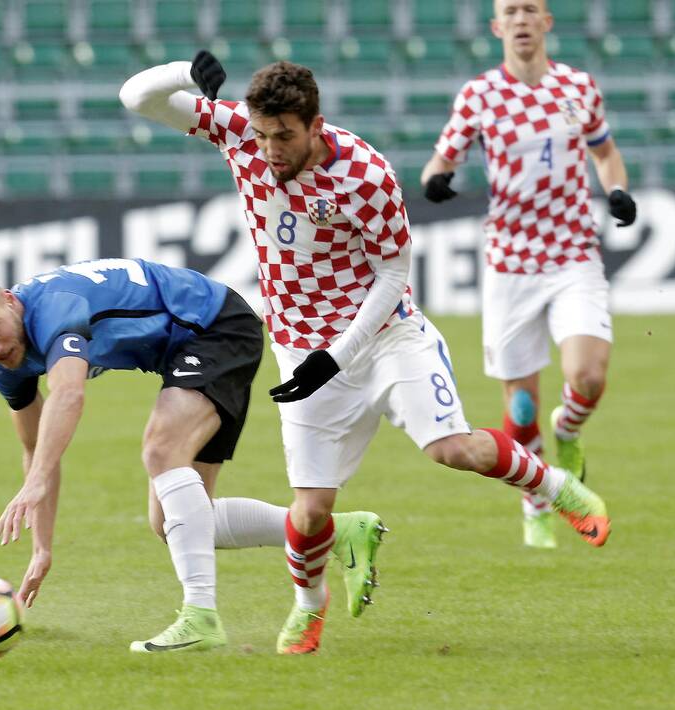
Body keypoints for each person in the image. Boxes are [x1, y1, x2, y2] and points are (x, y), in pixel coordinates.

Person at [119, 51, 612, 655]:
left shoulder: (365, 174)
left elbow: (393, 271)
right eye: (264, 133)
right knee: (309, 513)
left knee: (452, 449)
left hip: (385, 338)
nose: (271, 149)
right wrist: (183, 72)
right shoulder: (240, 133)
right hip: (301, 348)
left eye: (285, 136)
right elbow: (136, 98)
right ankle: (309, 605)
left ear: (315, 125)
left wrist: (342, 352)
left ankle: (554, 485)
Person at [0, 257, 382, 654]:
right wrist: (42, 548)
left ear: (10, 301)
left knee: (161, 448)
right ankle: (328, 530)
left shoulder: (54, 308)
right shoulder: (1, 363)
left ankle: (200, 619)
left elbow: (67, 394)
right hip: (184, 351)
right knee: (173, 523)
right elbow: (36, 448)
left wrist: (34, 485)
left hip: (215, 326)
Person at [420, 0, 637, 549]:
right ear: (497, 28)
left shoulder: (577, 88)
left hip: (572, 253)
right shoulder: (480, 95)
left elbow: (606, 152)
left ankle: (568, 430)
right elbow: (439, 161)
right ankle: (537, 500)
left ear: (546, 23)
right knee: (519, 410)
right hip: (510, 263)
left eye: (529, 9)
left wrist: (616, 189)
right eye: (510, 11)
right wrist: (437, 181)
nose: (520, 19)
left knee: (588, 375)